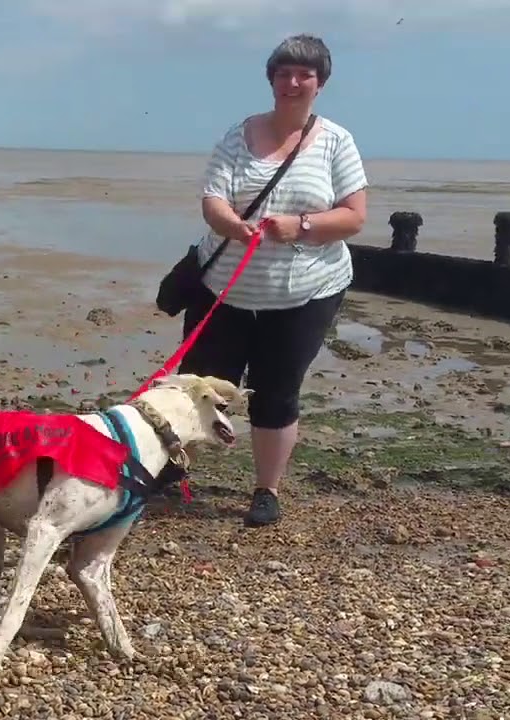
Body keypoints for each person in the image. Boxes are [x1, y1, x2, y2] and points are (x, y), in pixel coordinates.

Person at [181, 34, 368, 527]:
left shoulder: (336, 141)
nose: (292, 82)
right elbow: (212, 200)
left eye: (304, 75)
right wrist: (231, 226)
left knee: (276, 392)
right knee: (201, 388)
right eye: (283, 73)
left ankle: (267, 490)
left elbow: (354, 217)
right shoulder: (238, 135)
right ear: (271, 80)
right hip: (223, 290)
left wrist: (300, 227)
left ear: (320, 84)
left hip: (307, 293)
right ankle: (172, 477)